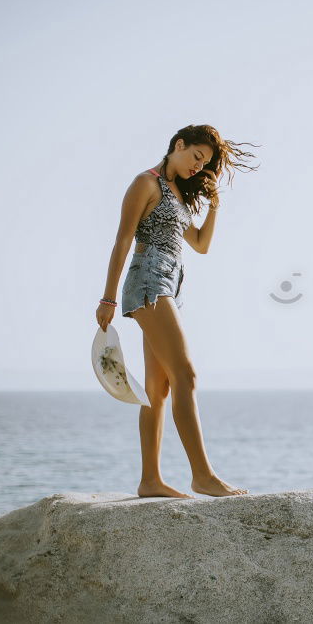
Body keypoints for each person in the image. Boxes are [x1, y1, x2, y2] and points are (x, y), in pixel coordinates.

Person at [95, 124, 259, 498]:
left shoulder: (177, 195)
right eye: (196, 157)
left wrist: (215, 203)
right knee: (186, 374)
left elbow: (200, 244)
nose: (198, 168)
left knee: (159, 387)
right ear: (178, 145)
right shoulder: (145, 183)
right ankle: (202, 475)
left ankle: (150, 480)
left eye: (204, 165)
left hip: (172, 285)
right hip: (149, 282)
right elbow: (122, 240)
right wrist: (107, 298)